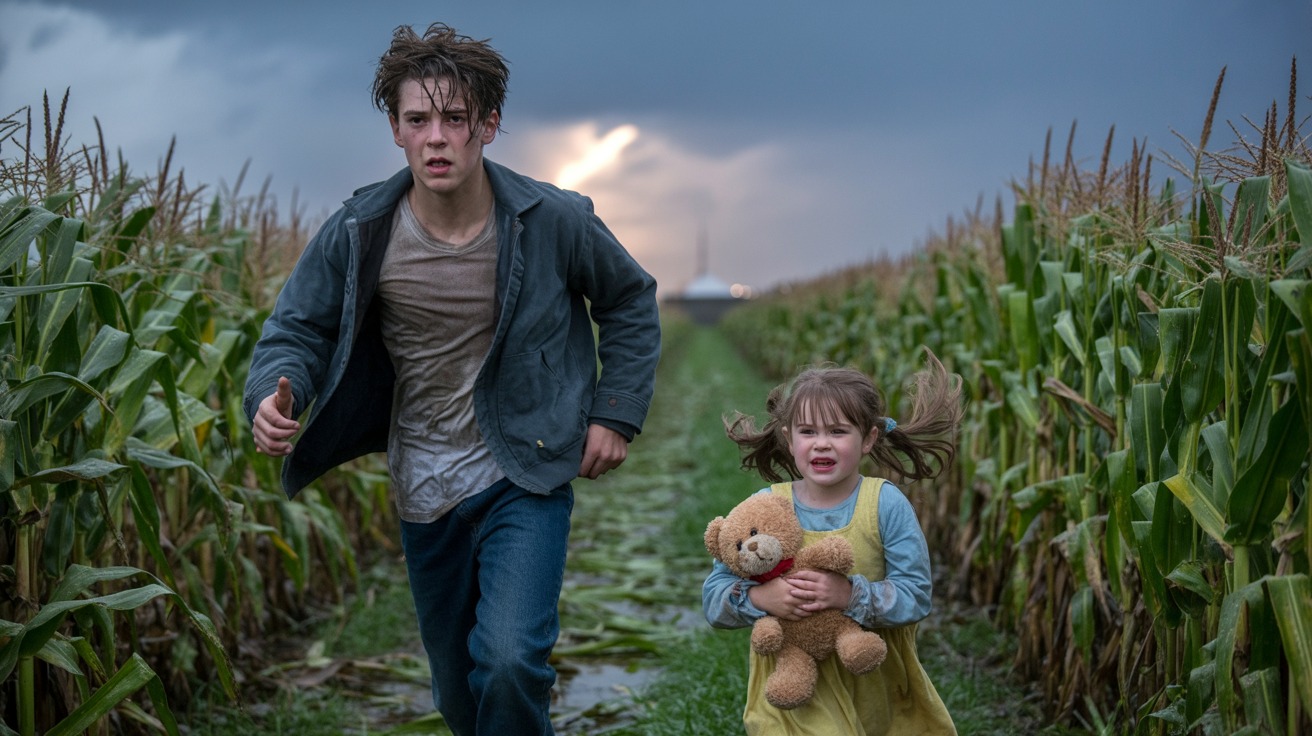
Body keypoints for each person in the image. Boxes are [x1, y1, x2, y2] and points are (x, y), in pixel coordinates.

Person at [243, 22, 661, 736]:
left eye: (455, 119)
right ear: (397, 132)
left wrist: (613, 413)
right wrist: (274, 392)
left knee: (508, 662)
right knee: (460, 693)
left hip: (523, 473)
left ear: (488, 126)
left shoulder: (550, 218)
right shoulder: (360, 230)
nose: (436, 137)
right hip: (423, 483)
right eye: (418, 120)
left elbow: (627, 298)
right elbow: (298, 329)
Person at [703, 350, 963, 735]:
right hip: (793, 685)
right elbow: (714, 598)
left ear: (869, 439)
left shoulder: (885, 504)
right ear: (790, 440)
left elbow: (917, 594)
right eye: (808, 432)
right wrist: (759, 599)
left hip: (870, 678)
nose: (821, 444)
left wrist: (849, 596)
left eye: (838, 431)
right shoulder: (764, 507)